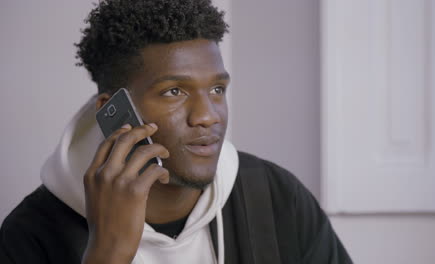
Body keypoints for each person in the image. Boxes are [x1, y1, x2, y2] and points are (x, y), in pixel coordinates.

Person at [0, 0, 352, 263]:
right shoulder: (31, 235)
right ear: (113, 110)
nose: (207, 116)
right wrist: (107, 251)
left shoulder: (275, 196)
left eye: (217, 90)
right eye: (174, 91)